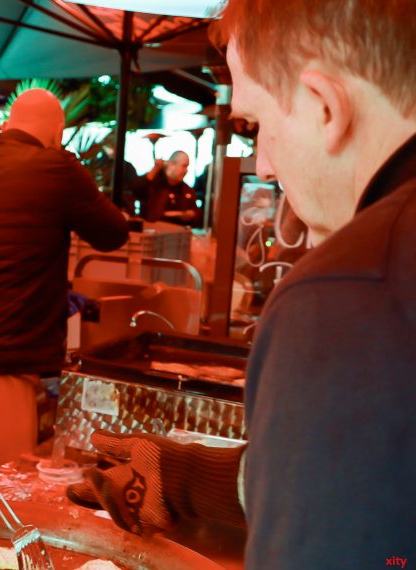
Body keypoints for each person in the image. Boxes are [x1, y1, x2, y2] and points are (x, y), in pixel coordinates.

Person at [67, 1, 415, 568]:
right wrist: (183, 478)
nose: (265, 166)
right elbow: (373, 482)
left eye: (254, 126)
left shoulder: (349, 290)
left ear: (325, 107)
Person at [0, 89, 130, 466]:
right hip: (0, 365)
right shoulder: (56, 166)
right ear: (58, 132)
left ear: (6, 126)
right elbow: (113, 234)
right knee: (7, 489)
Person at [132, 150, 201, 225]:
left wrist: (191, 215)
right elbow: (135, 190)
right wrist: (155, 169)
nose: (186, 171)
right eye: (184, 166)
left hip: (178, 228)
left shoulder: (186, 190)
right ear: (172, 164)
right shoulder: (154, 183)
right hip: (152, 227)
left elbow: (196, 214)